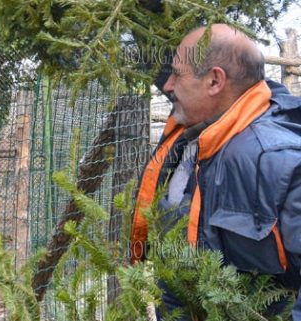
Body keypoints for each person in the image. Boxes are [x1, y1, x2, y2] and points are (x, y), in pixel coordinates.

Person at [128, 23, 301, 319]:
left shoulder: (281, 162)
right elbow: (153, 34)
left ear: (214, 81)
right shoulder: (196, 124)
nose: (167, 86)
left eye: (177, 75)